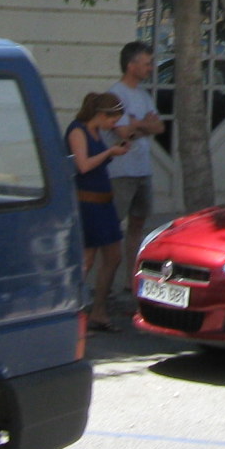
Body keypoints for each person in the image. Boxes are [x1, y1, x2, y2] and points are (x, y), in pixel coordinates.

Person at [66, 92, 131, 331]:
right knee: (87, 259)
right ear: (102, 115)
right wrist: (109, 153)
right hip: (87, 203)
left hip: (103, 202)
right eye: (112, 120)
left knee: (113, 256)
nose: (113, 126)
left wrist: (113, 152)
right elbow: (83, 166)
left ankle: (99, 311)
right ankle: (74, 314)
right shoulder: (78, 130)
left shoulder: (95, 133)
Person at [109, 40, 164, 295]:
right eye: (146, 63)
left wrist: (137, 124)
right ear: (131, 66)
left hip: (143, 169)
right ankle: (106, 280)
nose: (150, 68)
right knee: (113, 225)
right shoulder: (116, 95)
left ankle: (129, 279)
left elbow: (159, 127)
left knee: (138, 225)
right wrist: (142, 126)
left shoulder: (143, 95)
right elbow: (121, 131)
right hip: (121, 171)